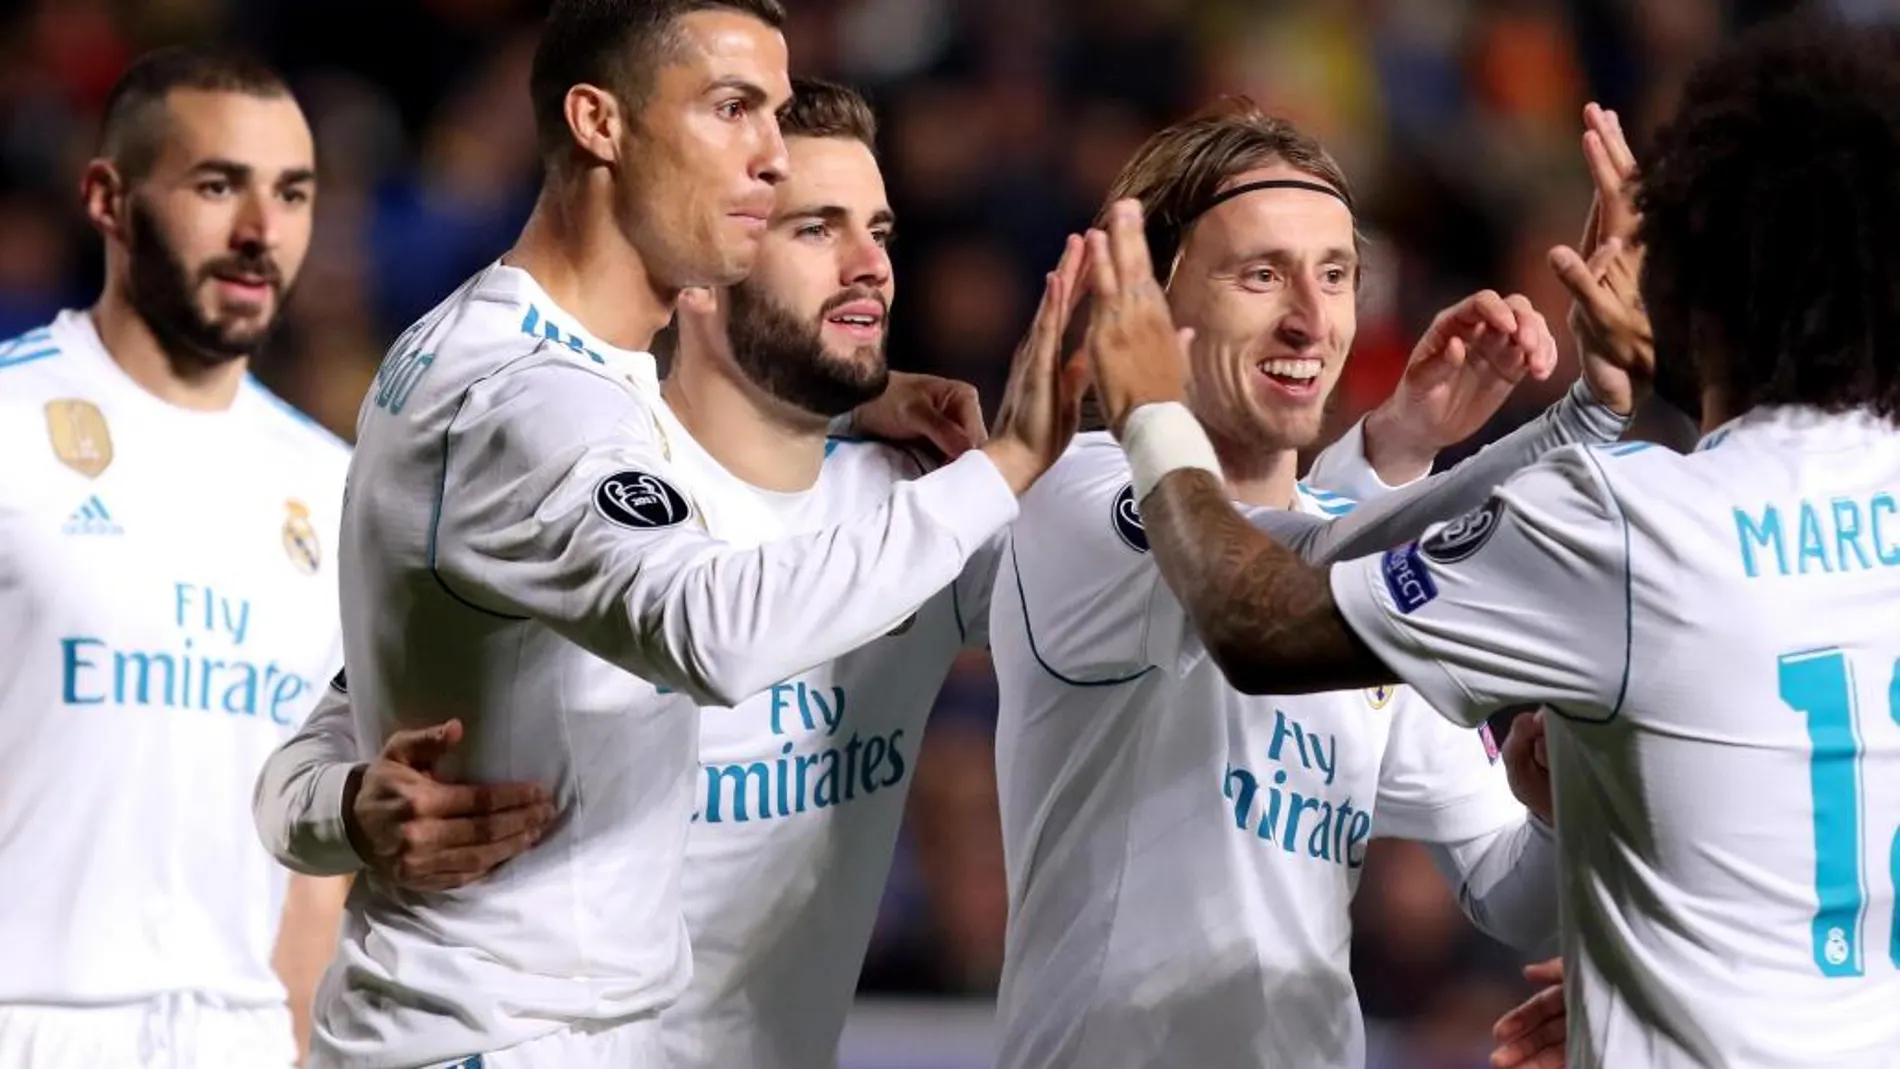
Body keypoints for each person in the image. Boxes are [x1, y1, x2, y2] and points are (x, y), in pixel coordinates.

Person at [259, 75, 1534, 1068]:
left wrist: (1385, 455)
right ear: (703, 269)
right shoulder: (582, 481)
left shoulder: (931, 521)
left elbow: (1229, 574)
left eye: (878, 227)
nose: (871, 262)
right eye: (813, 227)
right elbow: (309, 758)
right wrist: (347, 811)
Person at [1079, 18, 1900, 1069]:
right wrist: (1631, 952)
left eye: (1337, 274)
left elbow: (1252, 616)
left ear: (1698, 288)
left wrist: (1149, 409)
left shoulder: (1630, 523)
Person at [308, 1, 1095, 1063]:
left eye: (773, 115)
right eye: (732, 111)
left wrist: (337, 808)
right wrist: (1006, 464)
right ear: (599, 123)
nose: (767, 157)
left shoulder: (536, 365)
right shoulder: (526, 398)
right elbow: (712, 632)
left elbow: (347, 711)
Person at [987, 99, 1647, 1069]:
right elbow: (1265, 582)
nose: (1310, 316)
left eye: (1335, 274)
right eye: (1260, 274)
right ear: (1152, 307)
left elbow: (1510, 893)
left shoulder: (1354, 590)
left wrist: (1553, 808)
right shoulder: (1082, 501)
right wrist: (1573, 422)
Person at [0, 46, 349, 1068]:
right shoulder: (8, 422)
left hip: (238, 1038)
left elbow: (312, 865)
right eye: (215, 185)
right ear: (106, 198)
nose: (260, 232)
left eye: (292, 193)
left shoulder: (335, 486)